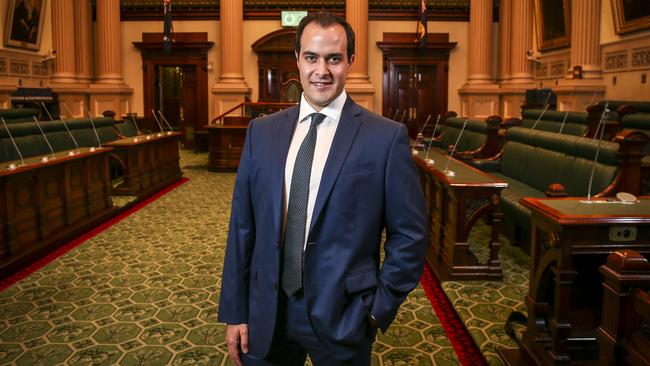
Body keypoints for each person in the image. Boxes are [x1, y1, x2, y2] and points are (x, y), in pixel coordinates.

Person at [218, 12, 427, 366]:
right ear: (297, 60)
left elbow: (409, 235)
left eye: (334, 58)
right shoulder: (261, 132)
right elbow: (242, 229)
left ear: (350, 62)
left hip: (345, 315)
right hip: (265, 311)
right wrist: (235, 310)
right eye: (312, 57)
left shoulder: (385, 137)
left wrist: (377, 310)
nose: (322, 71)